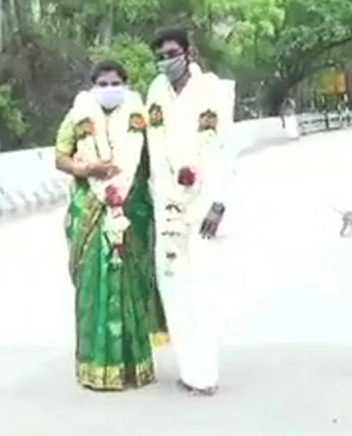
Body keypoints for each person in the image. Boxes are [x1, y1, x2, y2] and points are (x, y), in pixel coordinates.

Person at [54, 60, 164, 390]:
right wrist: (88, 170)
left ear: (126, 85)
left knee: (131, 283)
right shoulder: (78, 115)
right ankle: (95, 366)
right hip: (90, 209)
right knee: (93, 285)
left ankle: (134, 366)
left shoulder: (139, 117)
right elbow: (60, 157)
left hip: (131, 211)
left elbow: (153, 161)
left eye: (115, 83)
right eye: (102, 84)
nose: (109, 89)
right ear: (92, 87)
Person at [146, 27, 235, 396]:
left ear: (188, 52)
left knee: (202, 286)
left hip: (205, 203)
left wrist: (220, 203)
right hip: (168, 204)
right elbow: (154, 148)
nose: (166, 62)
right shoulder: (155, 92)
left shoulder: (212, 90)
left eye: (171, 54)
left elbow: (226, 148)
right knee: (174, 286)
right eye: (160, 57)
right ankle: (189, 369)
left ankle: (206, 374)